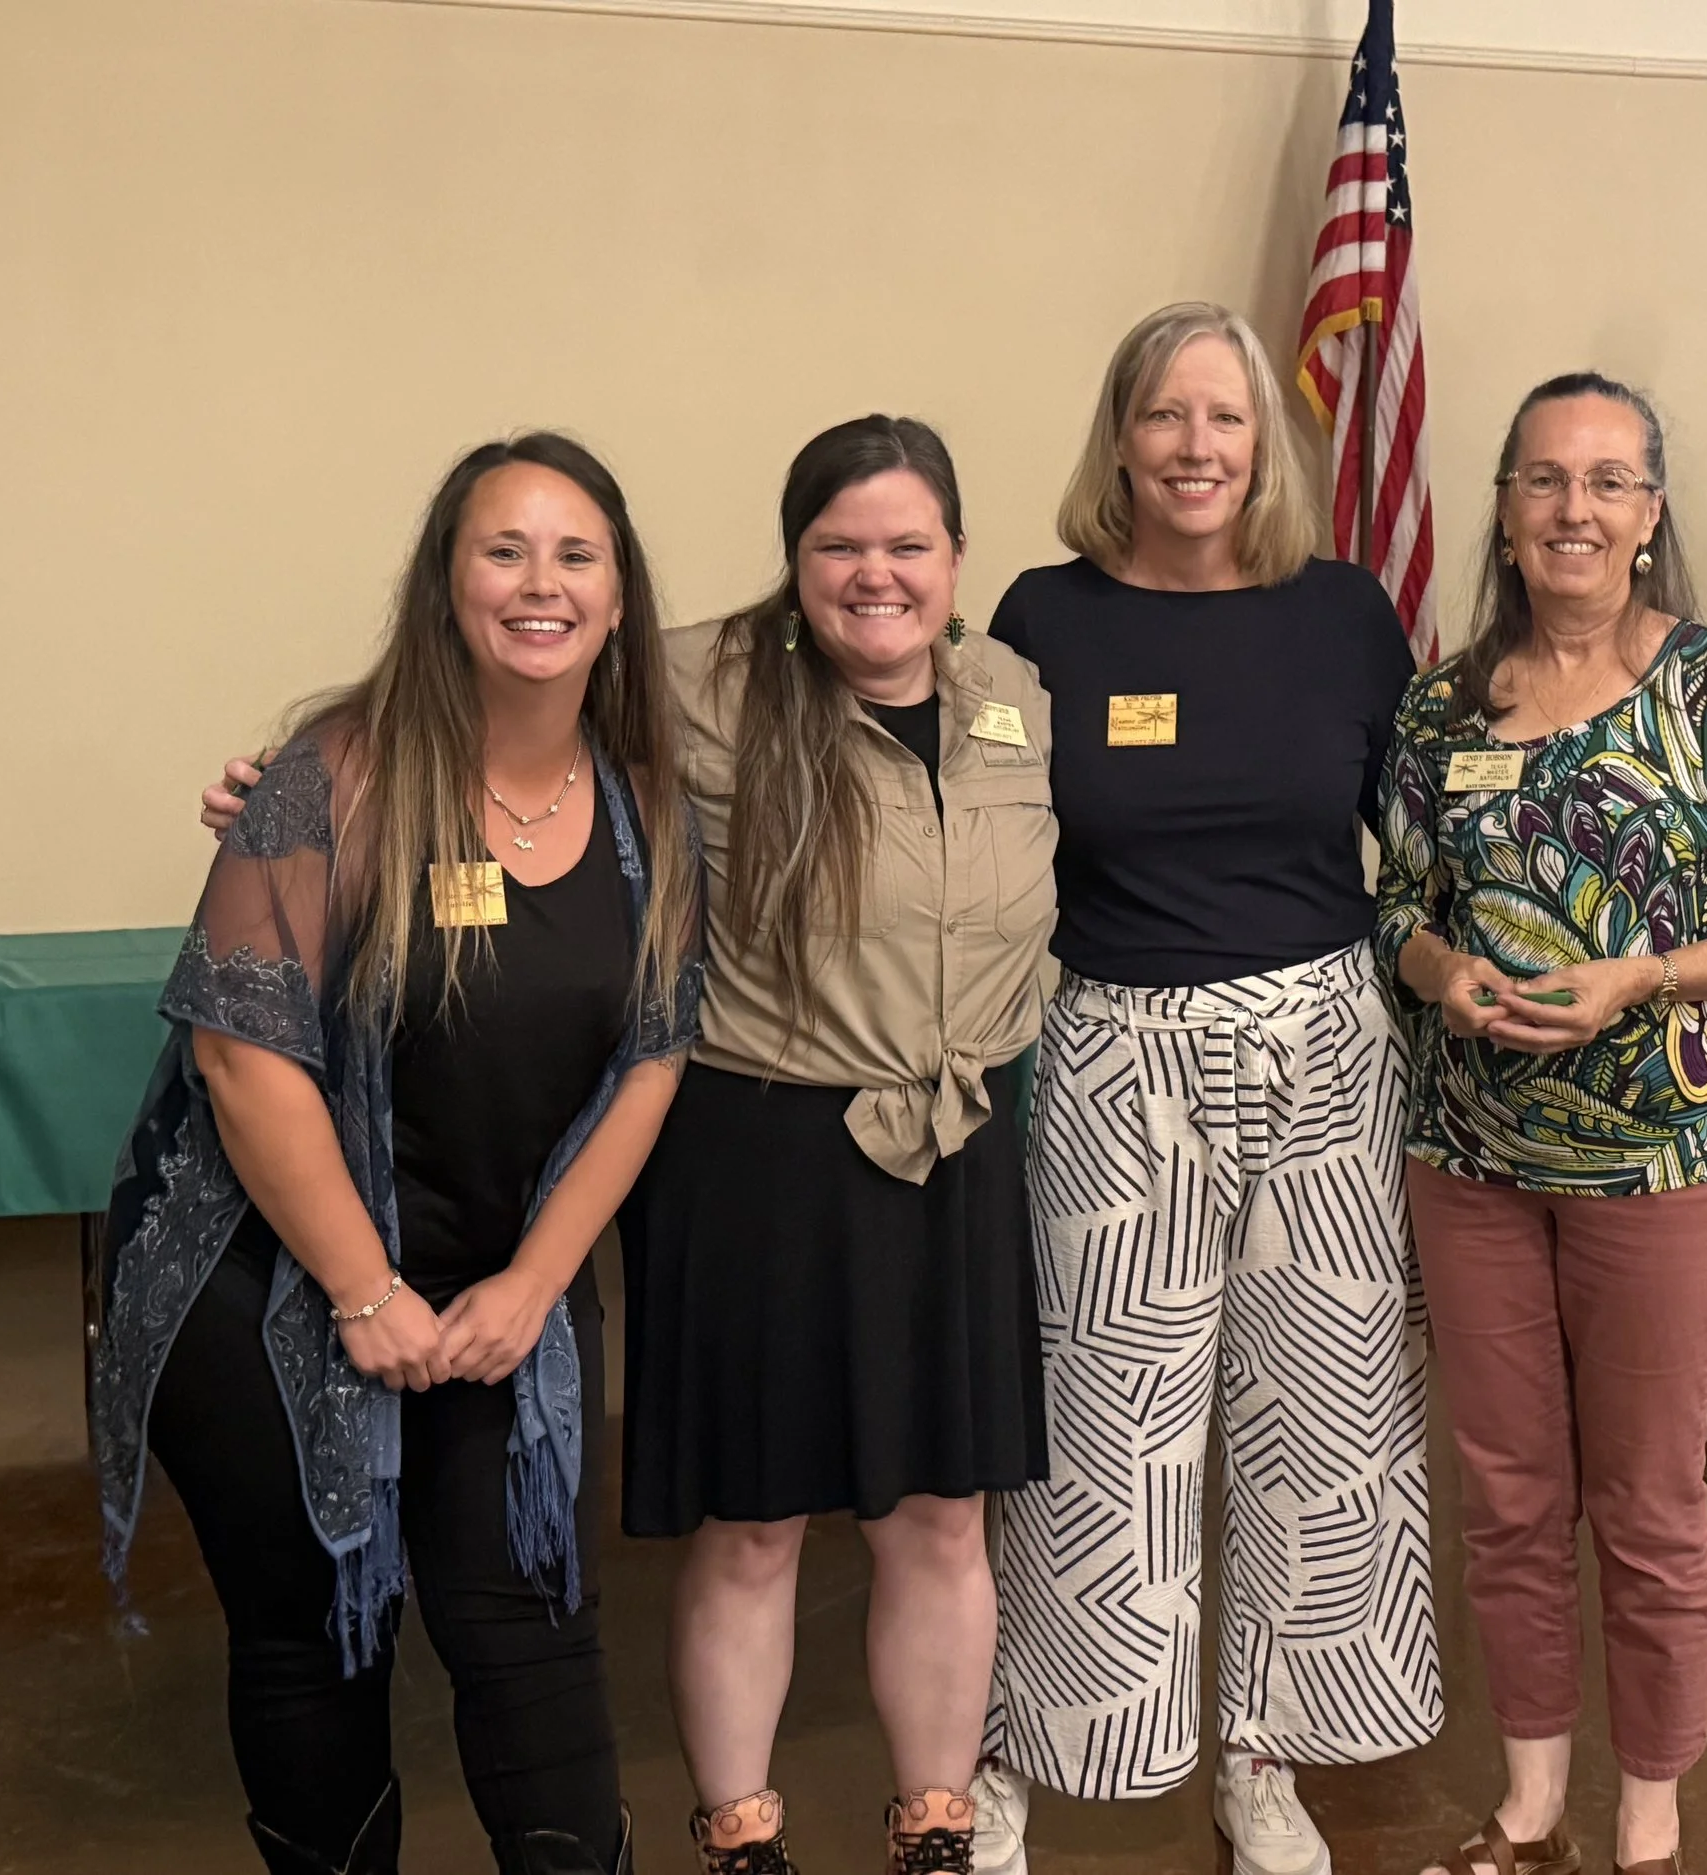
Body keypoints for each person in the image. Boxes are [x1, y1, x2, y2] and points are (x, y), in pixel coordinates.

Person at [95, 433, 701, 1875]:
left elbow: (655, 1054)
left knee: (535, 1629)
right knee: (313, 1638)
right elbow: (243, 1055)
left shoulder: (649, 803)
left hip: (504, 1294)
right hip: (271, 1288)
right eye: (504, 549)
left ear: (620, 598)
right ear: (444, 583)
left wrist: (536, 1282)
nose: (540, 583)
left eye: (577, 554)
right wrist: (367, 1293)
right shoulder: (333, 775)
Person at [976, 302, 1441, 1875]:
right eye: (1167, 417)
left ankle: (1262, 1755)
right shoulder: (1044, 620)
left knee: (1327, 1415)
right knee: (1104, 1423)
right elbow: (935, 817)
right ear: (1120, 436)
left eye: (1225, 419)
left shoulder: (1348, 615)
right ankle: (1020, 1757)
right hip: (1122, 1047)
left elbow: (1430, 839)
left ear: (1267, 442)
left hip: (1326, 1044)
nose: (1196, 448)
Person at [1378, 374, 1707, 1875]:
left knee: (1646, 1508)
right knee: (1510, 1501)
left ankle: (1647, 1813)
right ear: (1507, 514)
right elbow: (1394, 901)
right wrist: (1444, 970)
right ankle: (1529, 1803)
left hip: (1659, 1165)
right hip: (1471, 1166)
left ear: (1650, 515)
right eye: (1541, 480)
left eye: (1606, 482)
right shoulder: (1441, 699)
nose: (1572, 510)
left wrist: (1647, 973)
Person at [622, 416, 1057, 1875]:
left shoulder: (1012, 688)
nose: (876, 575)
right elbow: (493, 702)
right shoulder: (698, 684)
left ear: (955, 556)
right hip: (766, 1157)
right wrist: (303, 782)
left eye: (907, 546)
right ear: (797, 556)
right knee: (756, 1521)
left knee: (942, 1512)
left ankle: (935, 1819)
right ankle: (740, 1833)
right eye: (840, 547)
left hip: (958, 1151)